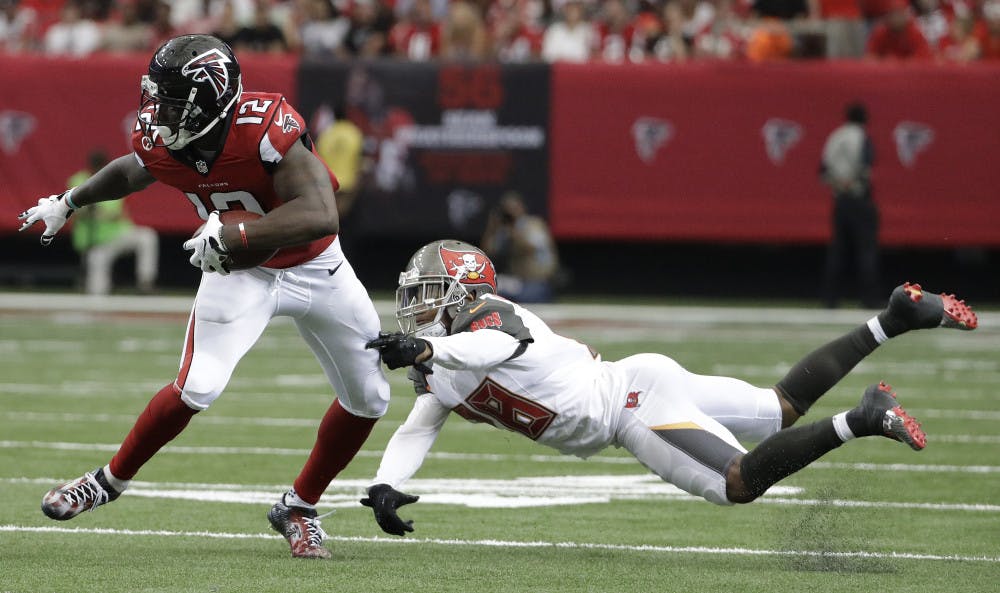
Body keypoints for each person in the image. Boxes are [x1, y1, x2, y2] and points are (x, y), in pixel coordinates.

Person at [17, 34, 390, 560]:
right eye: (158, 96)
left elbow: (321, 212)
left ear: (209, 99)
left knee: (370, 398)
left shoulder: (264, 126)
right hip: (239, 273)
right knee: (198, 386)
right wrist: (69, 200)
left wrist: (242, 235)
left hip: (316, 266)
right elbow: (133, 168)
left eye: (171, 99)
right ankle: (107, 480)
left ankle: (299, 506)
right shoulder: (164, 135)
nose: (156, 110)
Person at [360, 240, 977, 536]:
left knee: (738, 482)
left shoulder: (486, 318)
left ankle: (864, 417)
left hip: (630, 405)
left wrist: (427, 345)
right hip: (637, 379)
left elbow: (493, 348)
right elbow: (420, 421)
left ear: (464, 295)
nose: (416, 305)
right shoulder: (440, 360)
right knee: (779, 409)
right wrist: (389, 484)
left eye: (427, 293)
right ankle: (892, 319)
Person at [68, 150, 159, 295]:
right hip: (96, 243)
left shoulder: (112, 180)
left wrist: (95, 212)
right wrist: (88, 211)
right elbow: (72, 209)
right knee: (97, 289)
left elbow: (113, 213)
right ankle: (99, 307)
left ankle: (145, 283)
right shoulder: (79, 180)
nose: (97, 171)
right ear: (89, 167)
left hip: (117, 235)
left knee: (147, 237)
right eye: (94, 167)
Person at [819, 101, 879, 309]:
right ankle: (868, 299)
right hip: (858, 198)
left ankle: (831, 299)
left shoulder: (835, 136)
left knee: (838, 251)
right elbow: (866, 165)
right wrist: (853, 183)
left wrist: (838, 183)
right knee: (866, 251)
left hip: (840, 199)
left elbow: (823, 170)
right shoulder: (862, 136)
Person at [480, 192, 559, 303]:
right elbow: (487, 253)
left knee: (527, 299)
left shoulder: (534, 225)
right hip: (516, 282)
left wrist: (513, 232)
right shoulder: (503, 230)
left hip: (537, 282)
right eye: (506, 210)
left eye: (513, 209)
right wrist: (491, 228)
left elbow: (530, 248)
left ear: (522, 208)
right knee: (487, 295)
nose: (510, 214)